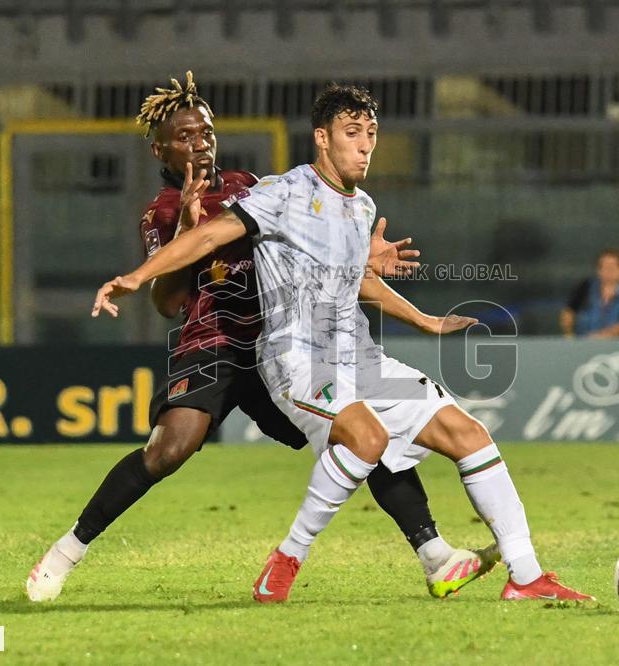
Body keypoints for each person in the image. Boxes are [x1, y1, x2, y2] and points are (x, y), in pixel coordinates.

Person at [92, 83, 592, 604]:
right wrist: (136, 276)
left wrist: (425, 320)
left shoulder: (362, 207)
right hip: (296, 360)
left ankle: (527, 575)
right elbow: (206, 238)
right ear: (323, 139)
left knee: (469, 435)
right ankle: (285, 561)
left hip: (359, 357)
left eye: (371, 133)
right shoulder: (281, 193)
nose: (365, 145)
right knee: (368, 439)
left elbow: (357, 279)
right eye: (352, 133)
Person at [560, 249, 619, 338]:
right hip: (584, 342)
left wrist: (602, 336)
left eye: (612, 267)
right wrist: (569, 335)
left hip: (617, 343)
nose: (608, 271)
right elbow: (568, 312)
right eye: (604, 267)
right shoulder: (585, 287)